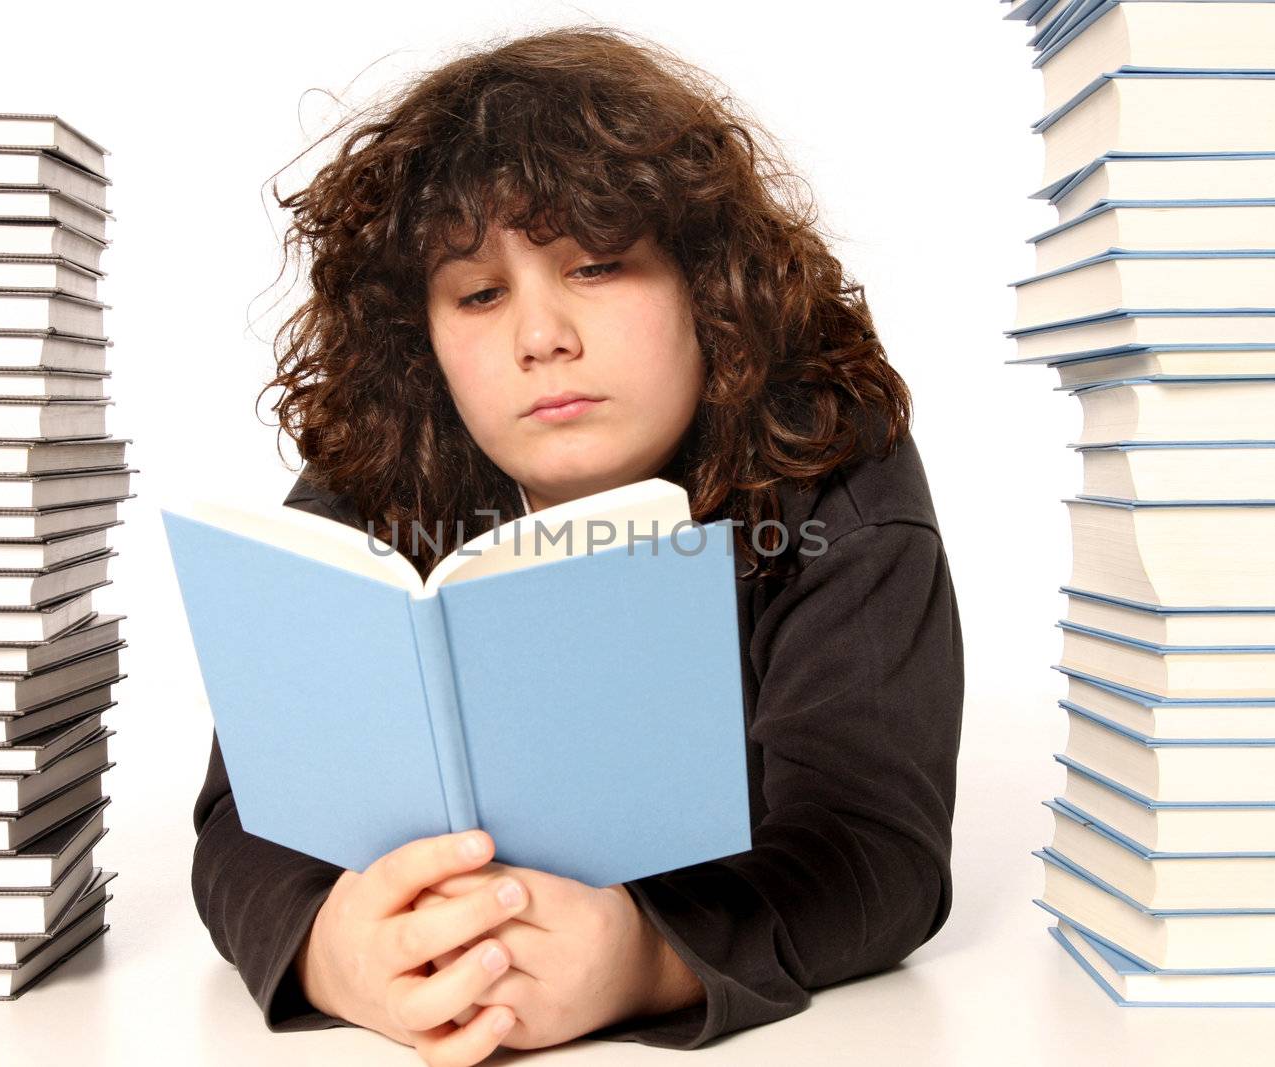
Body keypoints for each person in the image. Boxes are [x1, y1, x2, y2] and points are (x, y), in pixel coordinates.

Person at [191, 24, 964, 1066]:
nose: (540, 334)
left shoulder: (838, 466)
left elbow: (878, 852)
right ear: (420, 339)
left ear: (708, 284)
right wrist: (332, 950)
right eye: (478, 292)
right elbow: (247, 814)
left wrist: (650, 962)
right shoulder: (376, 479)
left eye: (597, 264)